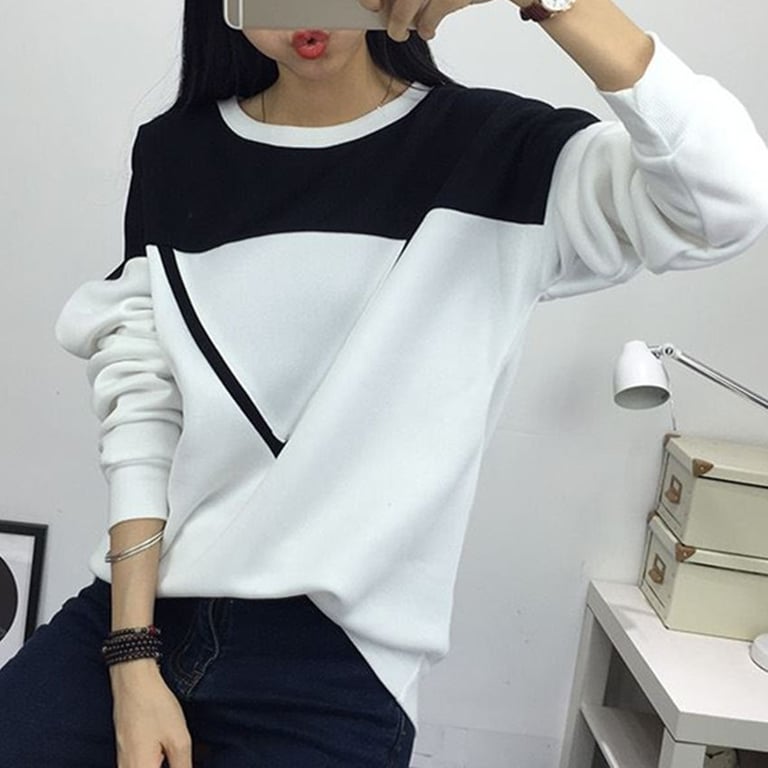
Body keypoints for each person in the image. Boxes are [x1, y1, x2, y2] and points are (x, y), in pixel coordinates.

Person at [2, 0, 767, 766]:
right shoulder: (176, 152)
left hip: (333, 664)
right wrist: (131, 654)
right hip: (140, 615)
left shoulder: (499, 153)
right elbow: (143, 411)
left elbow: (725, 202)